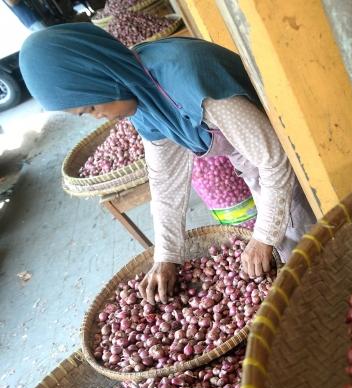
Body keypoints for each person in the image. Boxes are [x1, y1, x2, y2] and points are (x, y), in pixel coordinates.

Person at [19, 23, 315, 302]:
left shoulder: (184, 79)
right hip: (259, 163)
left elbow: (275, 159)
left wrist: (264, 236)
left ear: (105, 75)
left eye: (92, 106)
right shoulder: (142, 99)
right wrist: (167, 255)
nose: (97, 116)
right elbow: (165, 185)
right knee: (285, 245)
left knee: (309, 246)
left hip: (299, 151)